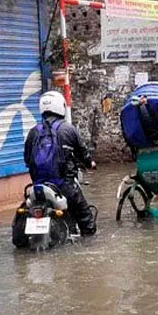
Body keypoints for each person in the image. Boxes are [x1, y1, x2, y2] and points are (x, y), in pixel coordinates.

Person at [22, 91, 97, 236]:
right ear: (60, 106)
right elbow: (83, 153)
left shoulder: (33, 132)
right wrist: (90, 163)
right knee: (87, 221)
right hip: (64, 186)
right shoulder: (68, 129)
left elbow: (27, 158)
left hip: (37, 188)